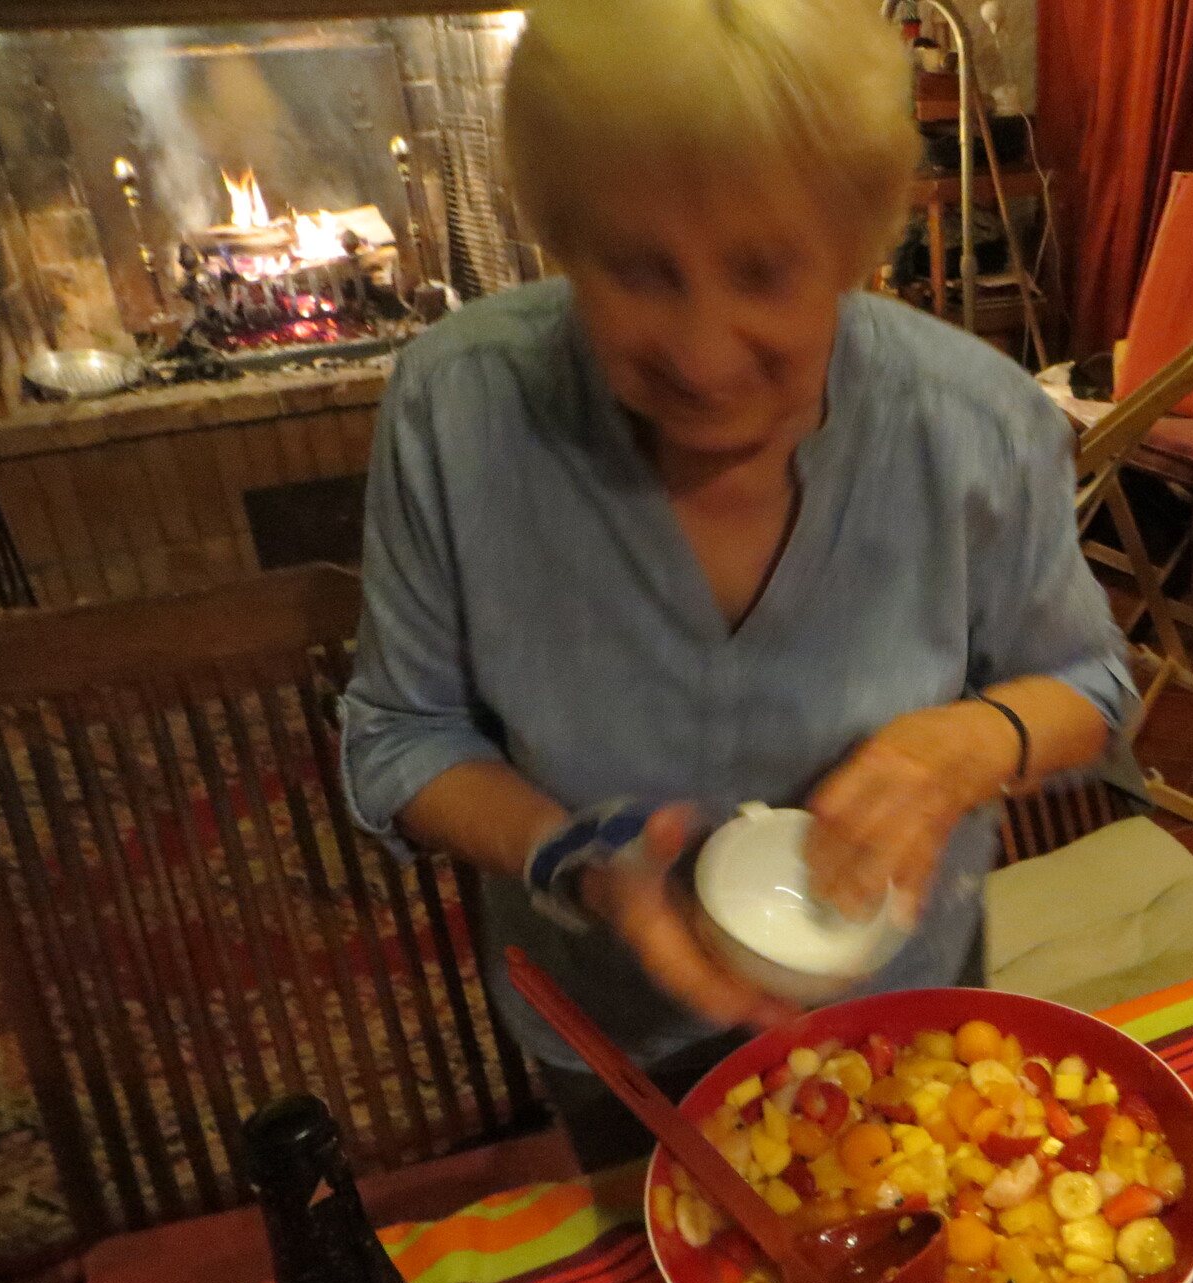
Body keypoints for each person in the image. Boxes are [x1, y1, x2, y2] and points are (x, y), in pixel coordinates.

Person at [339, 0, 1132, 1169]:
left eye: (764, 271)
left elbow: (1093, 689)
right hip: (608, 1033)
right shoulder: (458, 408)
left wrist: (973, 741)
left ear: (857, 246)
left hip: (899, 1021)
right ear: (561, 241)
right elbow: (398, 739)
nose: (704, 355)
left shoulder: (976, 426)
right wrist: (569, 857)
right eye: (635, 270)